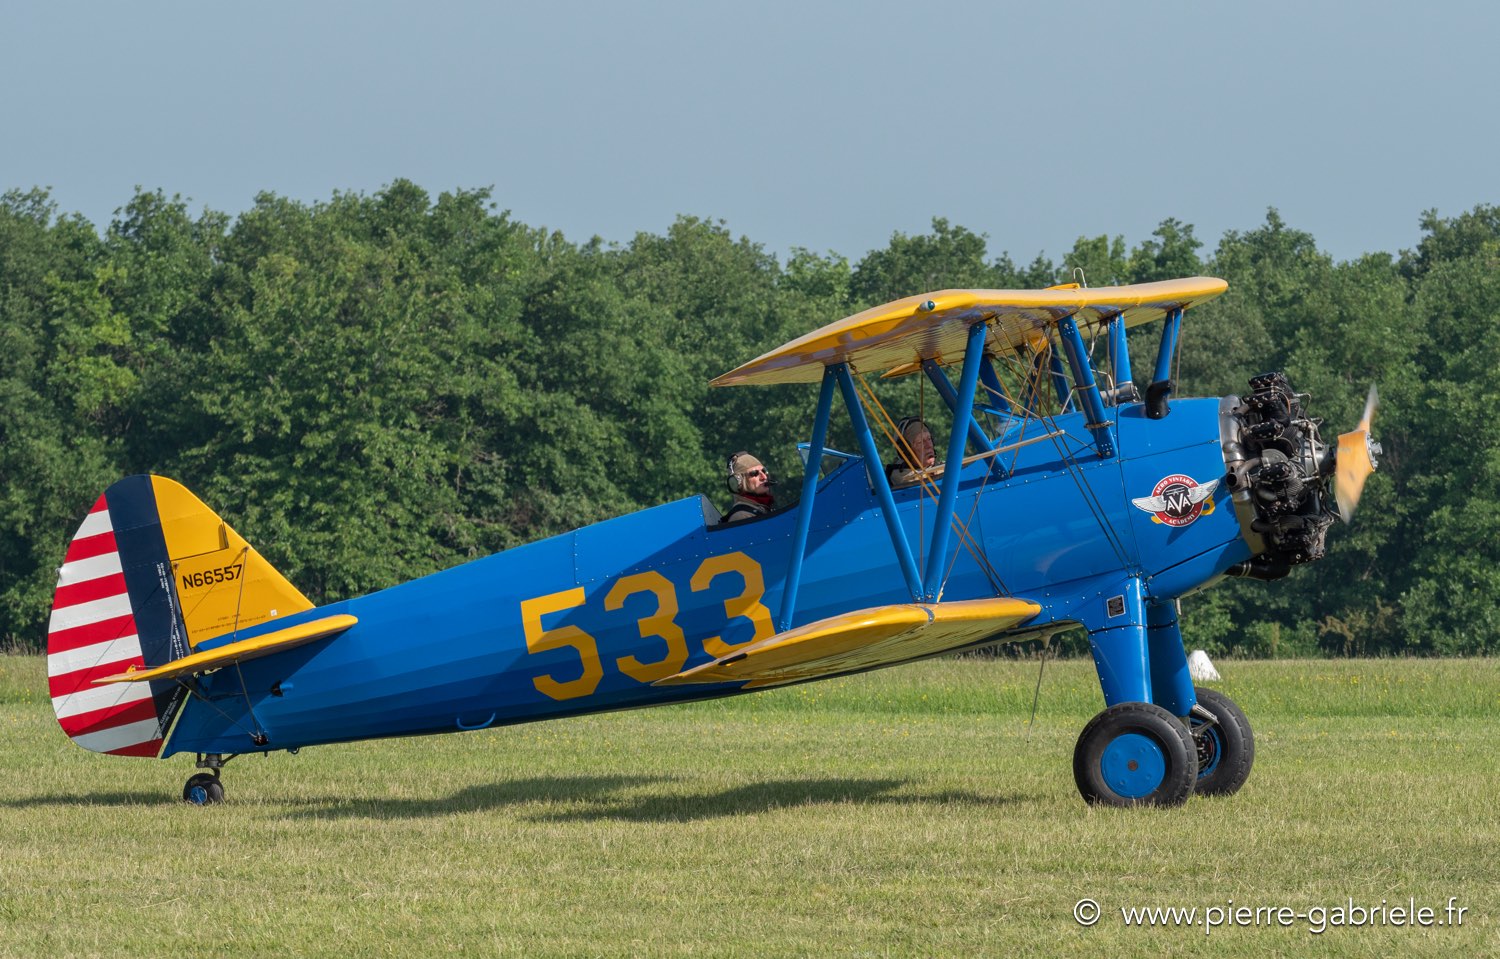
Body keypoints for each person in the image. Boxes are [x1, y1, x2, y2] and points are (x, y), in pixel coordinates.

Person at [887, 417, 938, 489]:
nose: (929, 445)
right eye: (920, 442)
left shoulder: (938, 466)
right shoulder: (900, 477)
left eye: (929, 439)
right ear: (906, 451)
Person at [723, 451, 775, 522]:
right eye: (754, 474)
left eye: (764, 471)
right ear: (738, 482)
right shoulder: (741, 517)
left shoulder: (764, 510)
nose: (764, 477)